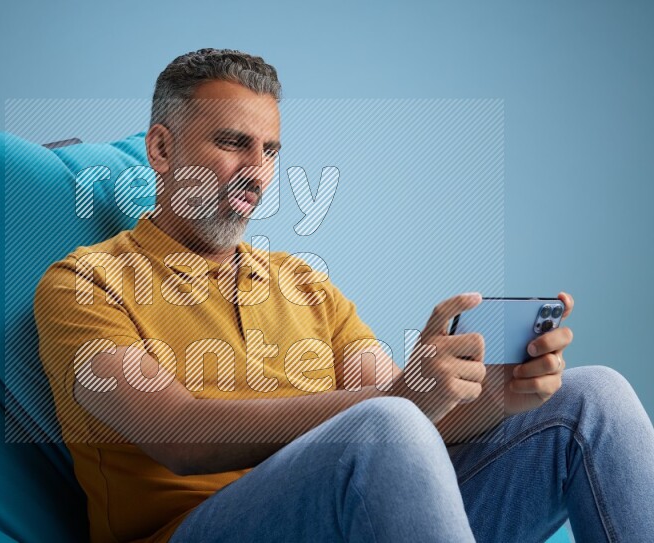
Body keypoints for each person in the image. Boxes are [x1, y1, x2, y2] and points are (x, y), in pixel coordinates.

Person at [33, 48, 654, 543]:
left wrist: (496, 392)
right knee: (383, 421)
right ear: (162, 149)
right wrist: (399, 401)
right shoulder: (84, 283)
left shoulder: (305, 285)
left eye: (270, 150)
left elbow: (411, 421)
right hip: (196, 528)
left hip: (361, 518)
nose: (256, 169)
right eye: (232, 143)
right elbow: (178, 435)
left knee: (594, 397)